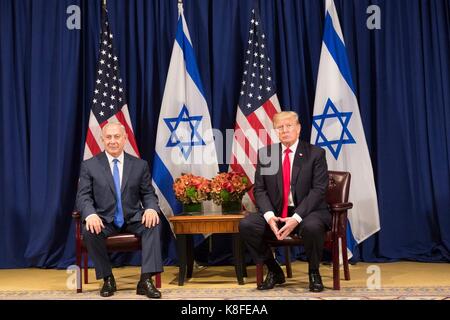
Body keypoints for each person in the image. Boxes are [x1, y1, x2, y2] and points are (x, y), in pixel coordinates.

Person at [239, 111, 330, 292]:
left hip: (307, 213)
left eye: (289, 126)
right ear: (276, 131)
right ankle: (274, 269)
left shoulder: (315, 154)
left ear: (298, 128)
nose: (285, 130)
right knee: (247, 225)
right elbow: (260, 189)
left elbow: (318, 190)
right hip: (277, 213)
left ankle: (314, 272)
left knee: (312, 227)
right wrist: (269, 216)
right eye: (280, 127)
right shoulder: (267, 154)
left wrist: (296, 217)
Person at [76, 122, 163, 298]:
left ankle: (145, 280)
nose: (113, 141)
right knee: (89, 230)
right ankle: (108, 278)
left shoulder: (139, 165)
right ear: (102, 140)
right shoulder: (90, 165)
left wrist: (151, 208)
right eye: (108, 137)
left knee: (153, 224)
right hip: (104, 220)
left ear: (125, 139)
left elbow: (148, 194)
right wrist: (91, 214)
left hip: (132, 218)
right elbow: (83, 197)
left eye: (117, 137)